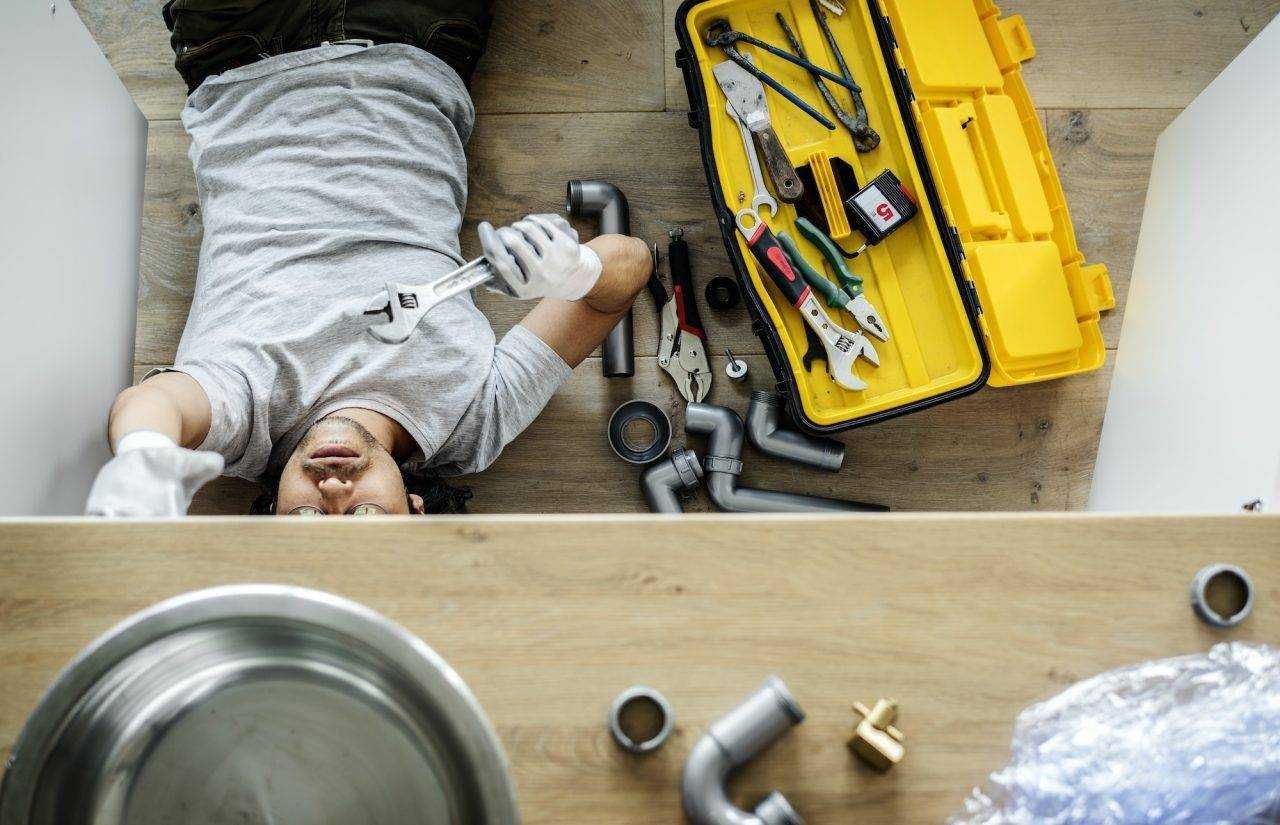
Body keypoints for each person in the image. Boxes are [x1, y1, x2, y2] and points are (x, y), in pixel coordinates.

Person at [85, 0, 651, 517]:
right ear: (414, 508)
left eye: (305, 517)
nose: (332, 491)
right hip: (415, 38)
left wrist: (141, 454)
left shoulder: (242, 425)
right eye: (363, 516)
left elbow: (156, 402)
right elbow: (628, 264)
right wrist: (577, 272)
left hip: (237, 50)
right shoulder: (473, 420)